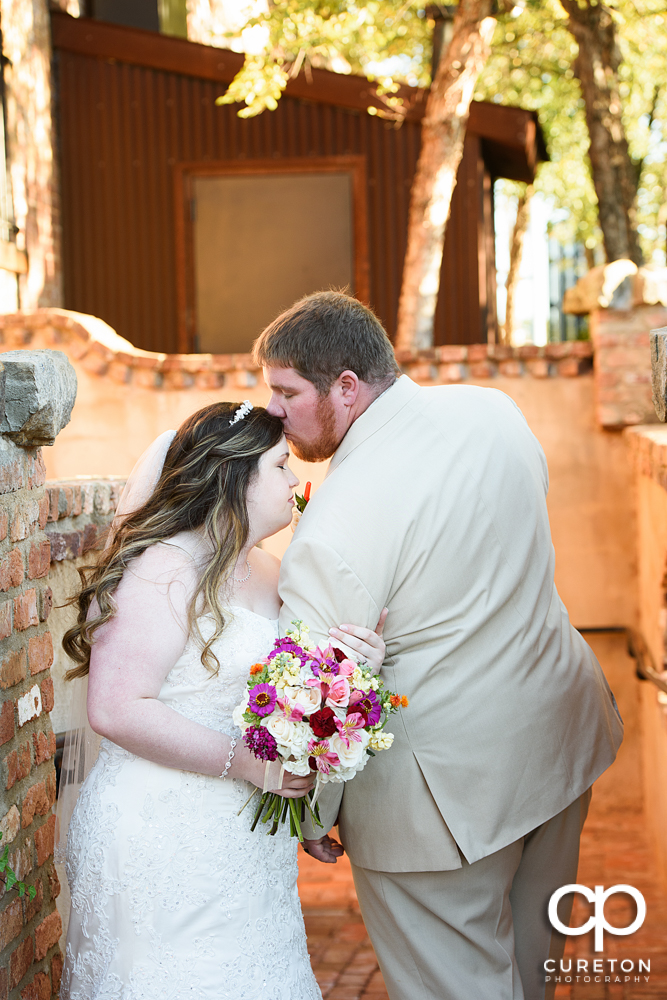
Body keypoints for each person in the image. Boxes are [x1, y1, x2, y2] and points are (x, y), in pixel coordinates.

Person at [253, 290, 624, 1000]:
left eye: (285, 391)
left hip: (439, 801)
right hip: (557, 741)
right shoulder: (494, 410)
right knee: (530, 973)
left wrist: (316, 810)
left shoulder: (330, 529)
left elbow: (318, 693)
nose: (272, 410)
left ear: (347, 388)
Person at [59, 401, 386, 1000]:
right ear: (236, 476)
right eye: (281, 466)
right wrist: (242, 762)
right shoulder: (164, 569)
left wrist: (352, 666)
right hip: (162, 833)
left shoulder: (267, 570)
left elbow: (286, 692)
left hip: (245, 842)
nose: (294, 481)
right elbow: (115, 708)